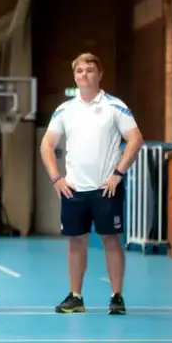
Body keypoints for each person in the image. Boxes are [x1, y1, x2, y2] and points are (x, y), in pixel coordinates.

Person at [39, 52, 143, 315]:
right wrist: (56, 178)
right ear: (74, 76)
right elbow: (47, 146)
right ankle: (76, 297)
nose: (84, 75)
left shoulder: (114, 106)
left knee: (111, 240)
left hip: (106, 188)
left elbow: (135, 140)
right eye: (79, 71)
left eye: (89, 70)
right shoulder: (65, 110)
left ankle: (116, 297)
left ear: (99, 74)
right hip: (74, 189)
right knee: (76, 242)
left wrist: (118, 173)